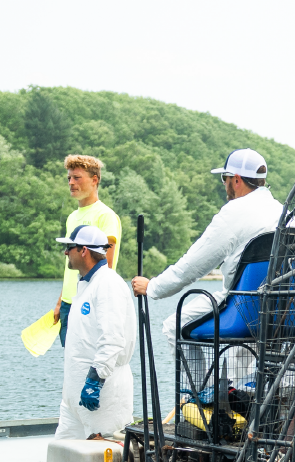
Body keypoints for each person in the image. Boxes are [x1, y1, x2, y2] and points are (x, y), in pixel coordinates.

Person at [131, 148, 283, 347]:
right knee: (243, 357)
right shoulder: (282, 210)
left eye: (224, 178)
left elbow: (193, 265)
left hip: (240, 309)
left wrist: (153, 287)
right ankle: (238, 380)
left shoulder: (234, 212)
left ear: (236, 180)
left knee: (173, 326)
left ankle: (200, 379)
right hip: (281, 312)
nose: (224, 184)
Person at [55, 224, 137, 440]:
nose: (66, 253)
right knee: (64, 455)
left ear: (83, 250)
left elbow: (112, 339)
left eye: (69, 247)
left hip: (101, 397)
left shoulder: (108, 284)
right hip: (74, 400)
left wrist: (94, 381)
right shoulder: (85, 285)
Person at [52, 155, 122, 347]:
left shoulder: (105, 216)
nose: (71, 183)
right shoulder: (72, 217)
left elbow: (105, 265)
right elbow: (70, 268)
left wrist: (90, 304)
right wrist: (60, 303)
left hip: (89, 303)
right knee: (72, 366)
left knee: (89, 364)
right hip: (68, 303)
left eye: (77, 177)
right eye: (69, 178)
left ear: (94, 180)